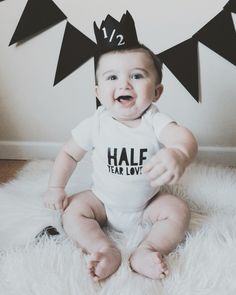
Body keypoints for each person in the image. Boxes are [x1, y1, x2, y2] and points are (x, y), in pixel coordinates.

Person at [43, 44, 198, 281]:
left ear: (157, 92)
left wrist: (179, 153)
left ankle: (147, 250)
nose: (124, 84)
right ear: (98, 91)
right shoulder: (95, 124)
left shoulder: (154, 120)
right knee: (72, 212)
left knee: (178, 210)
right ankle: (103, 248)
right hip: (102, 202)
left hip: (148, 204)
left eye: (136, 75)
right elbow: (69, 154)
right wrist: (56, 188)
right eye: (112, 77)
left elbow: (181, 137)